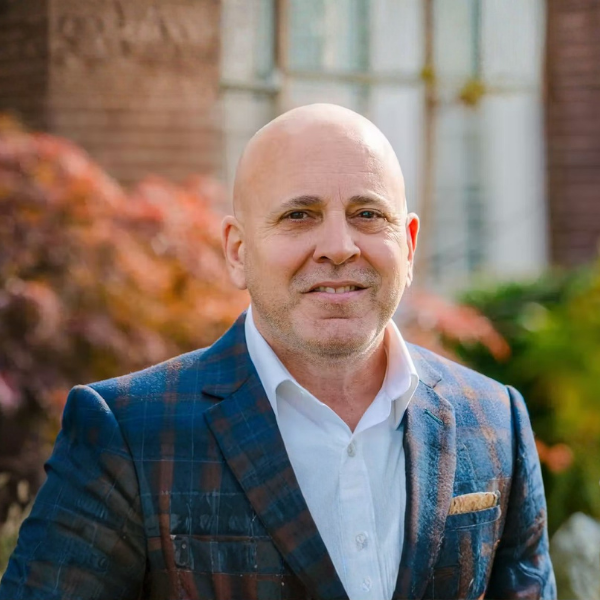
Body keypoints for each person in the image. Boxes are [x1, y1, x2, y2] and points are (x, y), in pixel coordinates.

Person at [0, 104, 555, 600]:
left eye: (367, 214)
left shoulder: (495, 420)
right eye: (299, 215)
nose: (339, 247)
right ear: (238, 252)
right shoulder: (126, 433)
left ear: (407, 246)